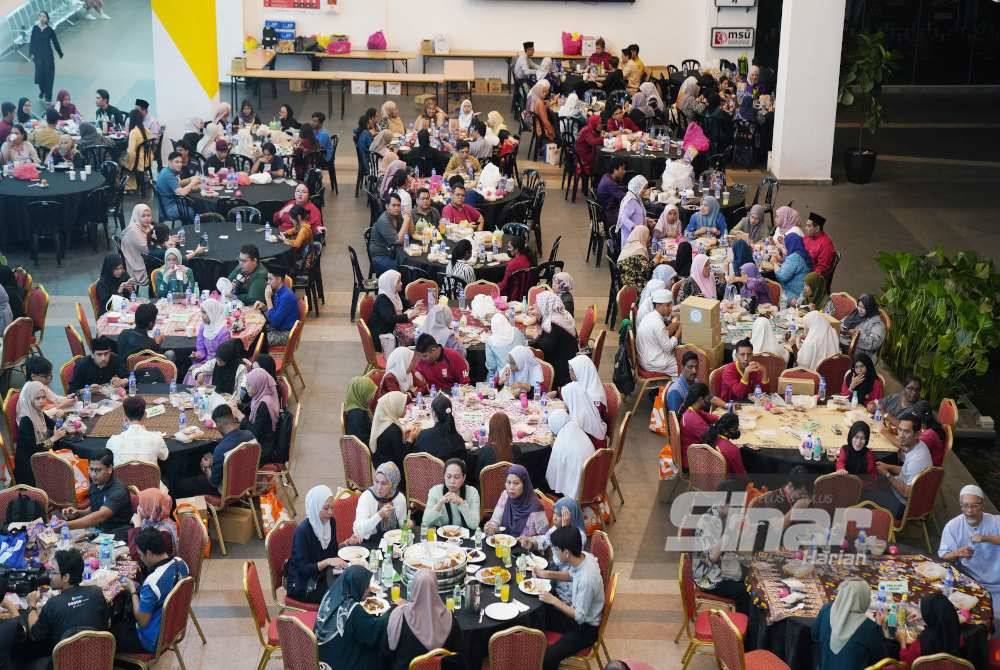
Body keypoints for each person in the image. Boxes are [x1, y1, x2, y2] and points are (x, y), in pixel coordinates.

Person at [112, 527, 189, 655]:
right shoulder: (181, 564)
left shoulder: (153, 582)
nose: (141, 559)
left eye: (141, 555)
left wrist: (133, 590)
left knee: (109, 632)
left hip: (151, 640)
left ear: (148, 554)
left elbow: (143, 621)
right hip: (172, 628)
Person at [24, 549, 108, 663]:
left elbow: (35, 634)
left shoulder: (53, 604)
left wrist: (32, 606)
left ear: (66, 577)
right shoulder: (96, 593)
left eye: (53, 572)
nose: (50, 576)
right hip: (96, 661)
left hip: (64, 664)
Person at [540, 526, 605, 670]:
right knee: (539, 612)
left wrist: (554, 600)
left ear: (566, 552)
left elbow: (580, 617)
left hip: (585, 629)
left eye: (556, 550)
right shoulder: (584, 557)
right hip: (575, 614)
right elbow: (572, 575)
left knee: (548, 658)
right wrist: (546, 574)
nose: (555, 553)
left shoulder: (587, 579)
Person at [287, 485, 353, 605]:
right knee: (342, 594)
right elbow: (303, 569)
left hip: (322, 575)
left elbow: (332, 552)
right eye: (326, 508)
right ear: (315, 507)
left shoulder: (330, 522)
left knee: (351, 582)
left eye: (332, 508)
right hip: (304, 583)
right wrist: (327, 562)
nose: (330, 512)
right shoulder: (302, 532)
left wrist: (346, 543)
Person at [384, 569, 460, 670]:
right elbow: (458, 655)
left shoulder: (400, 617)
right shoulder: (450, 618)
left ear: (414, 588)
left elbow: (388, 652)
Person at [315, 565, 388, 670]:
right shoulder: (353, 610)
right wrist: (389, 614)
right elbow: (373, 634)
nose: (368, 590)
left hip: (322, 657)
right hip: (341, 664)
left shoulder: (330, 595)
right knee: (380, 653)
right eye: (366, 586)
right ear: (357, 586)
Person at [693, 479, 751, 611]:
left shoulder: (727, 517)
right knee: (746, 592)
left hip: (727, 567)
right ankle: (744, 629)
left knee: (756, 583)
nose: (738, 510)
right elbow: (712, 556)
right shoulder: (707, 521)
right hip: (709, 576)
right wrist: (729, 530)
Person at [175, 405, 256, 497]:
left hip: (225, 490)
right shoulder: (250, 436)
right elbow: (239, 458)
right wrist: (216, 460)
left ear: (219, 424)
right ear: (233, 418)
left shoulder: (221, 449)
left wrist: (207, 469)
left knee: (180, 485)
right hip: (246, 483)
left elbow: (214, 482)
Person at [865, 414, 932, 517]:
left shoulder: (917, 459)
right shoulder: (919, 446)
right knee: (871, 481)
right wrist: (887, 466)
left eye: (906, 431)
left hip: (902, 506)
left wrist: (887, 474)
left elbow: (906, 492)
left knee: (863, 494)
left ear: (917, 434)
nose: (900, 435)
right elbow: (907, 472)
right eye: (900, 430)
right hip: (904, 494)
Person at [811, 578, 886, 670]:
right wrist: (879, 625)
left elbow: (814, 635)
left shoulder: (826, 610)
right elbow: (880, 659)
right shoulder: (869, 628)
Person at [64, 450, 133, 534]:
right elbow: (94, 509)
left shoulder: (118, 491)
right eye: (91, 469)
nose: (93, 474)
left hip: (116, 534)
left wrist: (65, 526)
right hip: (99, 530)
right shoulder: (95, 485)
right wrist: (78, 513)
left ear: (110, 469)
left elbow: (100, 516)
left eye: (98, 470)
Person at [13, 381, 66, 485]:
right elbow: (34, 450)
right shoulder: (26, 420)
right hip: (29, 468)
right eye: (38, 398)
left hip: (40, 456)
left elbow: (52, 424)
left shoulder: (38, 412)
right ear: (30, 399)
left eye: (44, 397)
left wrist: (61, 423)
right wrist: (53, 438)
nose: (42, 401)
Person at [485, 464, 549, 538]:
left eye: (516, 483)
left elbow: (546, 537)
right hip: (504, 543)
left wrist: (531, 542)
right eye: (509, 482)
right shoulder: (505, 495)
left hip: (524, 548)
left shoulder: (535, 507)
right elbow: (495, 519)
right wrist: (491, 527)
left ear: (524, 485)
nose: (511, 487)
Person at [532, 292, 578, 389]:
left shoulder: (553, 324)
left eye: (537, 306)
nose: (535, 308)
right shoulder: (562, 314)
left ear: (544, 306)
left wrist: (537, 337)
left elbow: (546, 347)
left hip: (561, 370)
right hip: (570, 360)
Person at [106, 396, 169, 467]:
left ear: (125, 417)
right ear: (145, 415)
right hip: (149, 477)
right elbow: (164, 456)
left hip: (121, 478)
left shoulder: (113, 441)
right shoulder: (156, 438)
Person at [546, 409, 596, 498]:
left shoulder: (561, 443)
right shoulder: (576, 429)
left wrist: (553, 446)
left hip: (579, 487)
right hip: (592, 477)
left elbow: (554, 470)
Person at [354, 462, 407, 542]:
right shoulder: (367, 497)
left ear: (393, 484)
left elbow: (401, 525)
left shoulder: (399, 498)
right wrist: (379, 515)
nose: (379, 487)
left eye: (384, 483)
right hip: (370, 542)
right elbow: (359, 530)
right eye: (376, 481)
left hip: (394, 542)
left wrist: (408, 524)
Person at [423, 458, 481, 530]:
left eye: (457, 477)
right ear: (444, 476)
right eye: (448, 476)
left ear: (464, 477)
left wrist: (461, 503)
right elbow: (425, 523)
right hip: (441, 535)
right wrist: (439, 503)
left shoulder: (472, 492)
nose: (452, 481)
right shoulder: (435, 491)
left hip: (465, 536)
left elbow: (474, 525)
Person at [238, 367, 280, 463]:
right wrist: (236, 406)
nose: (246, 388)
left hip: (263, 448)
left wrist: (241, 417)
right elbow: (250, 408)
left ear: (258, 385)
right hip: (263, 439)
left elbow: (254, 432)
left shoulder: (264, 405)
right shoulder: (262, 394)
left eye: (249, 385)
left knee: (228, 447)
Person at [636, 289, 680, 377]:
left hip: (646, 356)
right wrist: (679, 331)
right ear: (658, 305)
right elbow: (668, 347)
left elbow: (662, 334)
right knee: (684, 367)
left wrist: (675, 324)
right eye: (667, 305)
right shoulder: (657, 323)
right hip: (653, 362)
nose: (671, 308)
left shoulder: (651, 316)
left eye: (671, 305)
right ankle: (675, 388)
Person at [414, 394, 468, 463]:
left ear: (433, 413)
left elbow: (415, 460)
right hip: (448, 473)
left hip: (425, 472)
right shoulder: (458, 439)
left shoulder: (423, 435)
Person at [369, 270, 414, 352]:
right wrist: (409, 316)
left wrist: (415, 306)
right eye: (398, 282)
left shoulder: (394, 294)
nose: (401, 283)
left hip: (391, 330)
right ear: (390, 283)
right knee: (412, 339)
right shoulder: (383, 300)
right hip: (383, 337)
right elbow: (390, 318)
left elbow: (407, 304)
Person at [254, 267, 298, 345]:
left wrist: (268, 299)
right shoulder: (279, 292)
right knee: (255, 332)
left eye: (270, 279)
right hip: (278, 327)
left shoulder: (286, 297)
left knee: (256, 341)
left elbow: (274, 322)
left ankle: (260, 356)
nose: (268, 282)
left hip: (285, 333)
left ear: (279, 279)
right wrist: (264, 308)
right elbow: (274, 314)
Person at [839, 294, 886, 363]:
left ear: (870, 308)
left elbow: (873, 343)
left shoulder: (877, 324)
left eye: (863, 308)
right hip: (845, 343)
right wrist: (840, 327)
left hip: (860, 352)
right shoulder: (855, 314)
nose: (860, 310)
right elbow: (842, 322)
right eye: (859, 306)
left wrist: (857, 335)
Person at [369, 193, 407, 275]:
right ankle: (402, 287)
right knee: (405, 268)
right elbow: (399, 240)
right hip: (380, 257)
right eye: (393, 205)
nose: (397, 208)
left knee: (409, 264)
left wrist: (409, 216)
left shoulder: (398, 216)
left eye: (398, 205)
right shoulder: (384, 220)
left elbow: (408, 233)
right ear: (387, 206)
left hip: (392, 252)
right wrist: (407, 220)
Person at [155, 152, 199, 221]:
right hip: (169, 208)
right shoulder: (168, 176)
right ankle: (192, 228)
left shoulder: (166, 170)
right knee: (195, 209)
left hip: (165, 205)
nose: (180, 164)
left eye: (181, 162)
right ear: (169, 162)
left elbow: (177, 183)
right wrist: (192, 183)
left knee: (193, 204)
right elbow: (181, 193)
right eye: (177, 162)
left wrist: (189, 179)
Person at [29, 11, 62, 102]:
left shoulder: (50, 30)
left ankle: (48, 96)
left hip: (48, 56)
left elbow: (55, 42)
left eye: (44, 16)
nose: (42, 18)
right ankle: (42, 90)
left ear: (47, 19)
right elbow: (32, 41)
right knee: (40, 77)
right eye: (40, 16)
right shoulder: (35, 29)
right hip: (38, 57)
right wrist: (31, 53)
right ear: (38, 18)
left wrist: (60, 53)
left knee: (49, 76)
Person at [773, 232, 812, 303]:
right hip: (803, 291)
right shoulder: (804, 253)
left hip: (793, 294)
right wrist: (782, 260)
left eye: (785, 245)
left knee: (771, 289)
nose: (785, 247)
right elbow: (795, 266)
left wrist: (774, 263)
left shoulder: (794, 257)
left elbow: (782, 276)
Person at [616, 175, 654, 248]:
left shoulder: (636, 197)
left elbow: (637, 215)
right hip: (631, 239)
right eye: (644, 188)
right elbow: (623, 218)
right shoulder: (630, 201)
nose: (645, 190)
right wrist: (635, 227)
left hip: (637, 236)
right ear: (637, 187)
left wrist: (646, 220)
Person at [122, 109, 153, 191]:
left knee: (120, 160)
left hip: (139, 162)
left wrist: (127, 163)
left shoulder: (134, 132)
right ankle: (135, 183)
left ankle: (130, 186)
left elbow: (131, 152)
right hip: (147, 160)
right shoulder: (146, 130)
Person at [497, 235, 534, 300]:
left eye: (510, 247)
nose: (508, 249)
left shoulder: (512, 265)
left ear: (516, 249)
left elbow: (504, 285)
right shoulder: (528, 258)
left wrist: (493, 287)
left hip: (512, 294)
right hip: (526, 293)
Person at [343, 376, 377, 446]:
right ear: (361, 394)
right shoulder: (356, 416)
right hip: (365, 451)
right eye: (369, 396)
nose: (372, 398)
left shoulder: (358, 405)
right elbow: (360, 443)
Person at [802, 213, 836, 281]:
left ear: (817, 228)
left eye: (809, 226)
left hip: (812, 277)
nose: (805, 228)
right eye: (806, 225)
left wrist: (806, 276)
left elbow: (822, 268)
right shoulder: (807, 237)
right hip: (802, 269)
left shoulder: (826, 244)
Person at [596, 157, 627, 225]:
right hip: (609, 214)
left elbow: (618, 188)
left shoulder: (606, 176)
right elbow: (625, 198)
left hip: (606, 211)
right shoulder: (609, 183)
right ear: (615, 170)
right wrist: (640, 194)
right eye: (622, 169)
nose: (624, 172)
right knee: (632, 217)